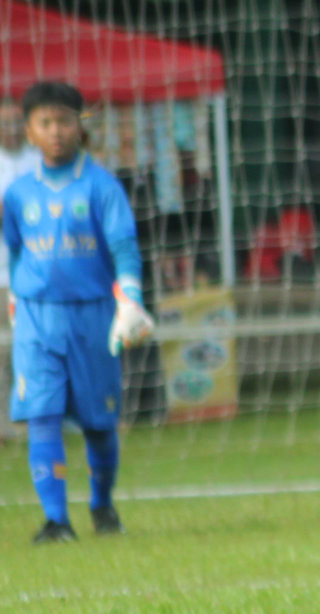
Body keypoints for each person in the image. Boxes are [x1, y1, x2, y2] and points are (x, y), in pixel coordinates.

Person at [3, 80, 152, 543]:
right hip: (36, 318)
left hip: (92, 317)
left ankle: (102, 505)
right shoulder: (17, 194)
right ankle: (56, 520)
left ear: (80, 125)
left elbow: (124, 247)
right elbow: (12, 252)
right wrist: (12, 299)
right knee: (42, 415)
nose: (56, 131)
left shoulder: (102, 186)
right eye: (45, 122)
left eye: (64, 121)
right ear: (29, 131)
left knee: (97, 422)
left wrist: (130, 298)